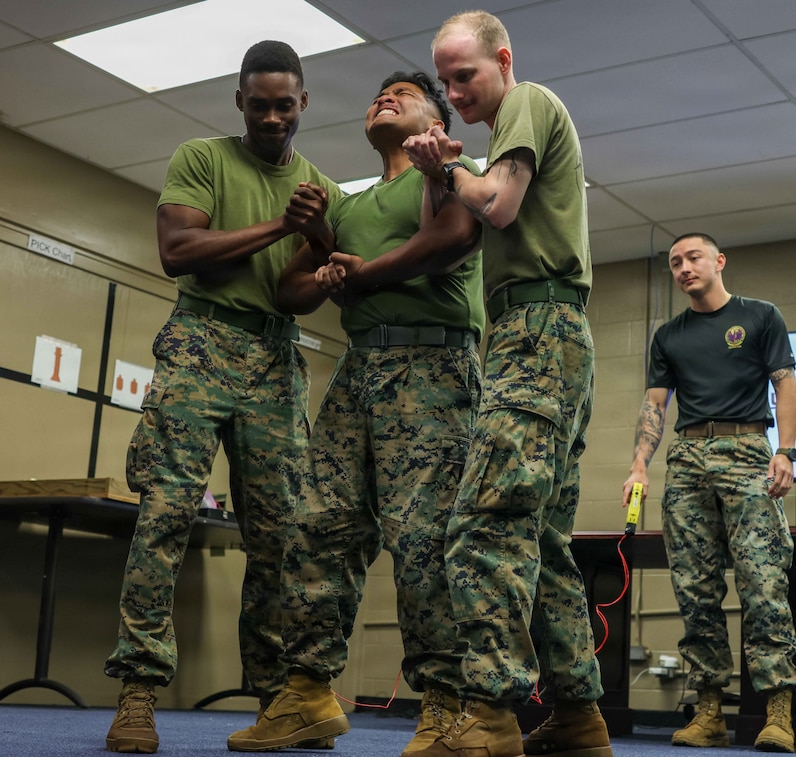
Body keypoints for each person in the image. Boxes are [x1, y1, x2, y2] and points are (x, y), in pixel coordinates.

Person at [223, 70, 484, 754]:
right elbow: (290, 291)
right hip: (359, 367)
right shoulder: (351, 203)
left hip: (432, 366)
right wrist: (323, 258)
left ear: (439, 121)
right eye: (378, 95)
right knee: (317, 527)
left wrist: (361, 273)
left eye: (404, 93)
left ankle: (446, 704)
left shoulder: (455, 170)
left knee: (422, 537)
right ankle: (308, 692)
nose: (384, 99)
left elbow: (454, 236)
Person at [103, 40, 341, 754]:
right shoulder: (201, 158)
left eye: (284, 104)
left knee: (281, 536)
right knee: (165, 515)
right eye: (259, 104)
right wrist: (283, 225)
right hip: (201, 344)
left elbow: (302, 280)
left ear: (304, 103)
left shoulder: (320, 183)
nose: (272, 117)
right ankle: (138, 693)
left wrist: (320, 232)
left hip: (275, 354)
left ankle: (277, 701)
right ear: (241, 103)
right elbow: (179, 251)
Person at [402, 11, 612, 757]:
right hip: (540, 338)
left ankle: (490, 715)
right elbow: (441, 234)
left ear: (503, 61)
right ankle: (580, 720)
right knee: (544, 541)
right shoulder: (494, 140)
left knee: (483, 526)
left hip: (538, 333)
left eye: (467, 74)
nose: (456, 91)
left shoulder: (528, 103)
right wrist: (438, 174)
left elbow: (498, 203)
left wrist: (451, 171)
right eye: (446, 78)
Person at [621, 232, 796, 753]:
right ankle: (707, 711)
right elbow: (656, 403)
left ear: (719, 262)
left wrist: (785, 452)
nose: (683, 268)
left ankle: (777, 711)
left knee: (762, 583)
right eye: (675, 262)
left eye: (693, 257)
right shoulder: (669, 336)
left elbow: (785, 383)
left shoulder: (760, 316)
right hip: (687, 460)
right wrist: (639, 466)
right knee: (695, 589)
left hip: (747, 451)